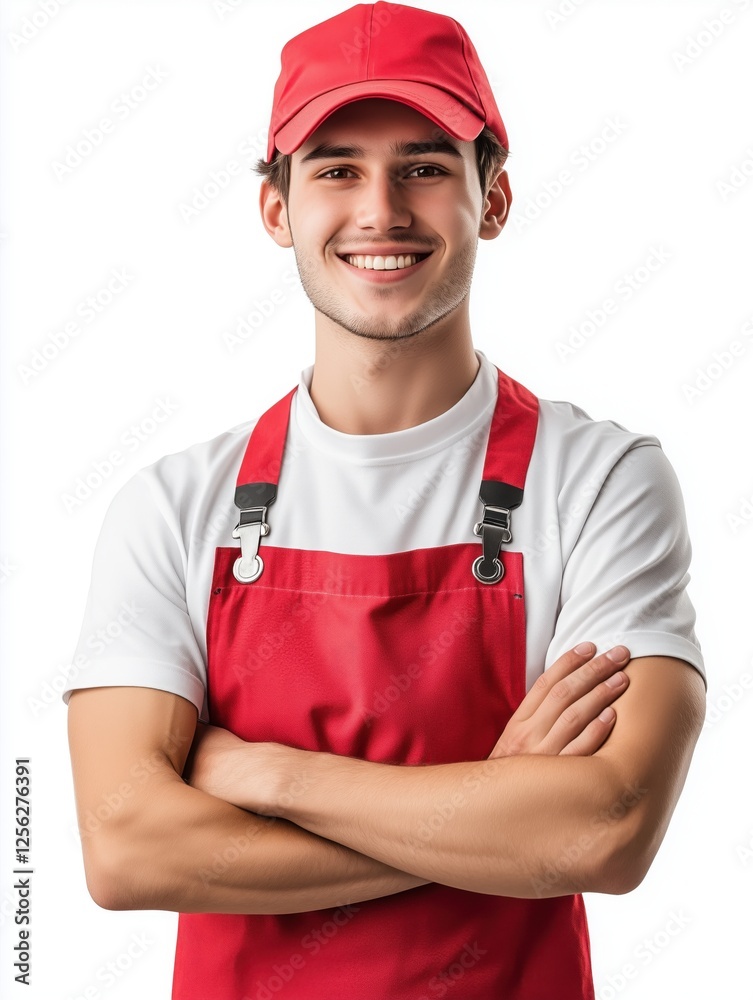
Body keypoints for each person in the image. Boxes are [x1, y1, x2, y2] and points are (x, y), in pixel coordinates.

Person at [64, 3, 707, 998]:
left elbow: (606, 826)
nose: (380, 211)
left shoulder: (601, 482)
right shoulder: (172, 506)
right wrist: (495, 812)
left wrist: (270, 775)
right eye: (334, 168)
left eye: (424, 166)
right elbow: (126, 849)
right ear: (276, 210)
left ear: (491, 199)